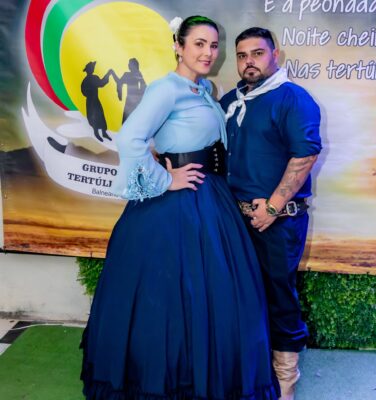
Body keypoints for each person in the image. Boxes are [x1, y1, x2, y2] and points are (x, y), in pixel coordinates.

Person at [80, 16, 280, 400]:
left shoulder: (203, 89)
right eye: (199, 44)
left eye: (213, 45)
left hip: (211, 197)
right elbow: (130, 138)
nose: (208, 52)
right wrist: (163, 179)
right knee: (170, 293)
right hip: (177, 204)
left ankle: (206, 376)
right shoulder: (166, 89)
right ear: (179, 46)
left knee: (213, 292)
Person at [220, 27, 322, 400]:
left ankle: (285, 380)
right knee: (240, 295)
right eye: (242, 55)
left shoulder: (293, 98)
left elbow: (306, 154)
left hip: (279, 222)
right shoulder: (230, 100)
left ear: (275, 54)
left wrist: (274, 206)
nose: (249, 62)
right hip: (234, 220)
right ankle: (251, 372)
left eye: (257, 53)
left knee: (279, 296)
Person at [81, 61, 113, 142]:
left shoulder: (86, 80)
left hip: (92, 100)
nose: (93, 69)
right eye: (92, 68)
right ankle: (97, 133)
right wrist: (108, 74)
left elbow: (83, 91)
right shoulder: (91, 78)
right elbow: (101, 83)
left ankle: (103, 133)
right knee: (95, 116)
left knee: (99, 116)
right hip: (93, 100)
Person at [111, 58, 147, 123]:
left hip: (134, 102)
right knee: (128, 121)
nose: (128, 65)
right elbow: (119, 82)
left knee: (130, 121)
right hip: (132, 101)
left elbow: (144, 87)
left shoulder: (135, 75)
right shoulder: (130, 75)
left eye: (130, 64)